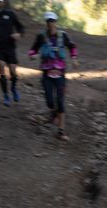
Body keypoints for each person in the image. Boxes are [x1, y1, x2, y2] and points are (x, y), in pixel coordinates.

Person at [28, 12, 78, 141]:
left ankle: (61, 132)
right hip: (46, 72)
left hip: (60, 72)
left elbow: (72, 47)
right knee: (50, 101)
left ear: (56, 21)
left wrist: (74, 58)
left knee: (60, 101)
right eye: (48, 21)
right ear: (46, 22)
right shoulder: (41, 36)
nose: (51, 23)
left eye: (52, 20)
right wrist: (32, 54)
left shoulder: (63, 36)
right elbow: (33, 48)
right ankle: (53, 111)